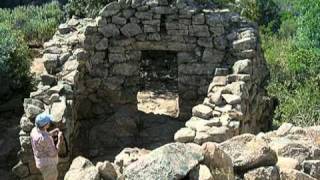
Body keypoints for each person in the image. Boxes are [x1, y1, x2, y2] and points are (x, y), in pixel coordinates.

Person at [30, 113, 64, 180]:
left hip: (41, 162)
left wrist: (52, 132)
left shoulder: (34, 131)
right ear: (45, 125)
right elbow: (54, 153)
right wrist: (60, 140)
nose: (49, 123)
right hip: (48, 166)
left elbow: (43, 137)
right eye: (48, 122)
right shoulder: (45, 138)